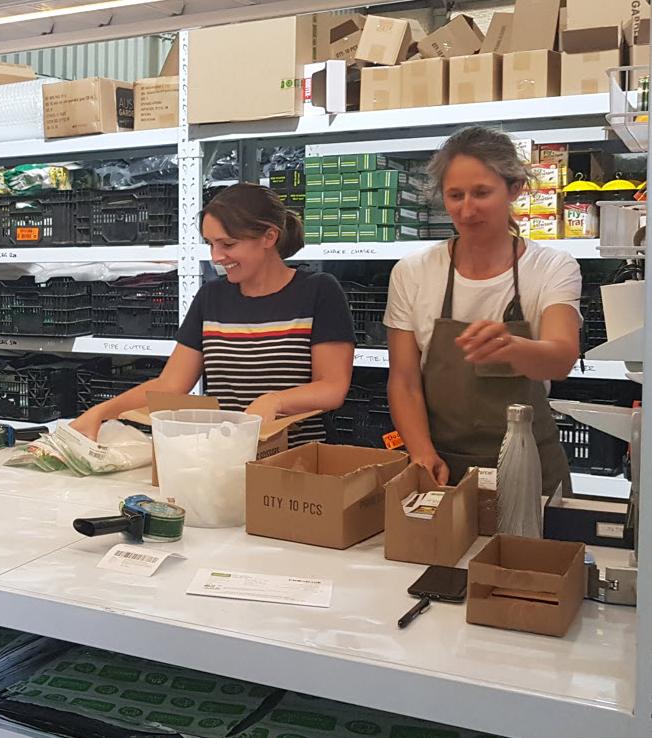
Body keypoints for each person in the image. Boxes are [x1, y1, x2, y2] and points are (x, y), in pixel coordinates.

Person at [71, 182, 356, 445]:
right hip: (227, 457)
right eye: (210, 243)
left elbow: (332, 387)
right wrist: (101, 412)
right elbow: (170, 385)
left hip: (297, 463)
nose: (216, 257)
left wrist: (275, 401)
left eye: (228, 244)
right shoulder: (212, 297)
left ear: (269, 236)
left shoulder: (318, 291)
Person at [384, 126, 581, 494]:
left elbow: (561, 358)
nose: (467, 209)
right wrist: (422, 453)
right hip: (443, 468)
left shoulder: (553, 268)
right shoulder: (413, 273)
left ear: (515, 189)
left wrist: (512, 347)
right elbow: (405, 379)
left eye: (481, 193)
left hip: (531, 468)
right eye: (455, 195)